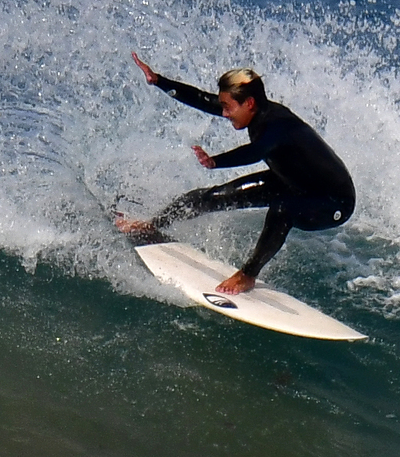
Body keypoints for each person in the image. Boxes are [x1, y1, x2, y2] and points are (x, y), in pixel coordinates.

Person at [115, 52, 355, 295]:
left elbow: (255, 152)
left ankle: (247, 275)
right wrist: (158, 81)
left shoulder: (278, 125)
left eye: (228, 108)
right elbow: (203, 100)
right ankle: (152, 225)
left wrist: (215, 161)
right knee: (211, 197)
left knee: (282, 210)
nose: (225, 114)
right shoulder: (253, 111)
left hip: (332, 201)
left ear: (249, 103)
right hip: (291, 182)